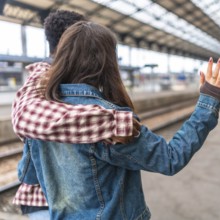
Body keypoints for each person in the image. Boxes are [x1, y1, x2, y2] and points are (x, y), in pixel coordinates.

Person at [20, 20, 220, 219]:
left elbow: (28, 176)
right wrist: (208, 100)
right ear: (107, 63)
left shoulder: (40, 117)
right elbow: (170, 158)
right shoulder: (109, 120)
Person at [12, 10, 138, 218]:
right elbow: (25, 115)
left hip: (77, 199)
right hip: (44, 199)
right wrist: (112, 120)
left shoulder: (78, 81)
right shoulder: (43, 75)